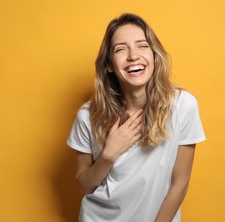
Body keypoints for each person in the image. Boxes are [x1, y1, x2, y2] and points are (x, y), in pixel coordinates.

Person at [67, 13, 205, 222]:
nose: (133, 55)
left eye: (142, 46)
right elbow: (84, 185)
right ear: (109, 65)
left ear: (154, 55)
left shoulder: (183, 106)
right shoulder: (87, 116)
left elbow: (180, 183)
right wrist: (108, 156)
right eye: (120, 49)